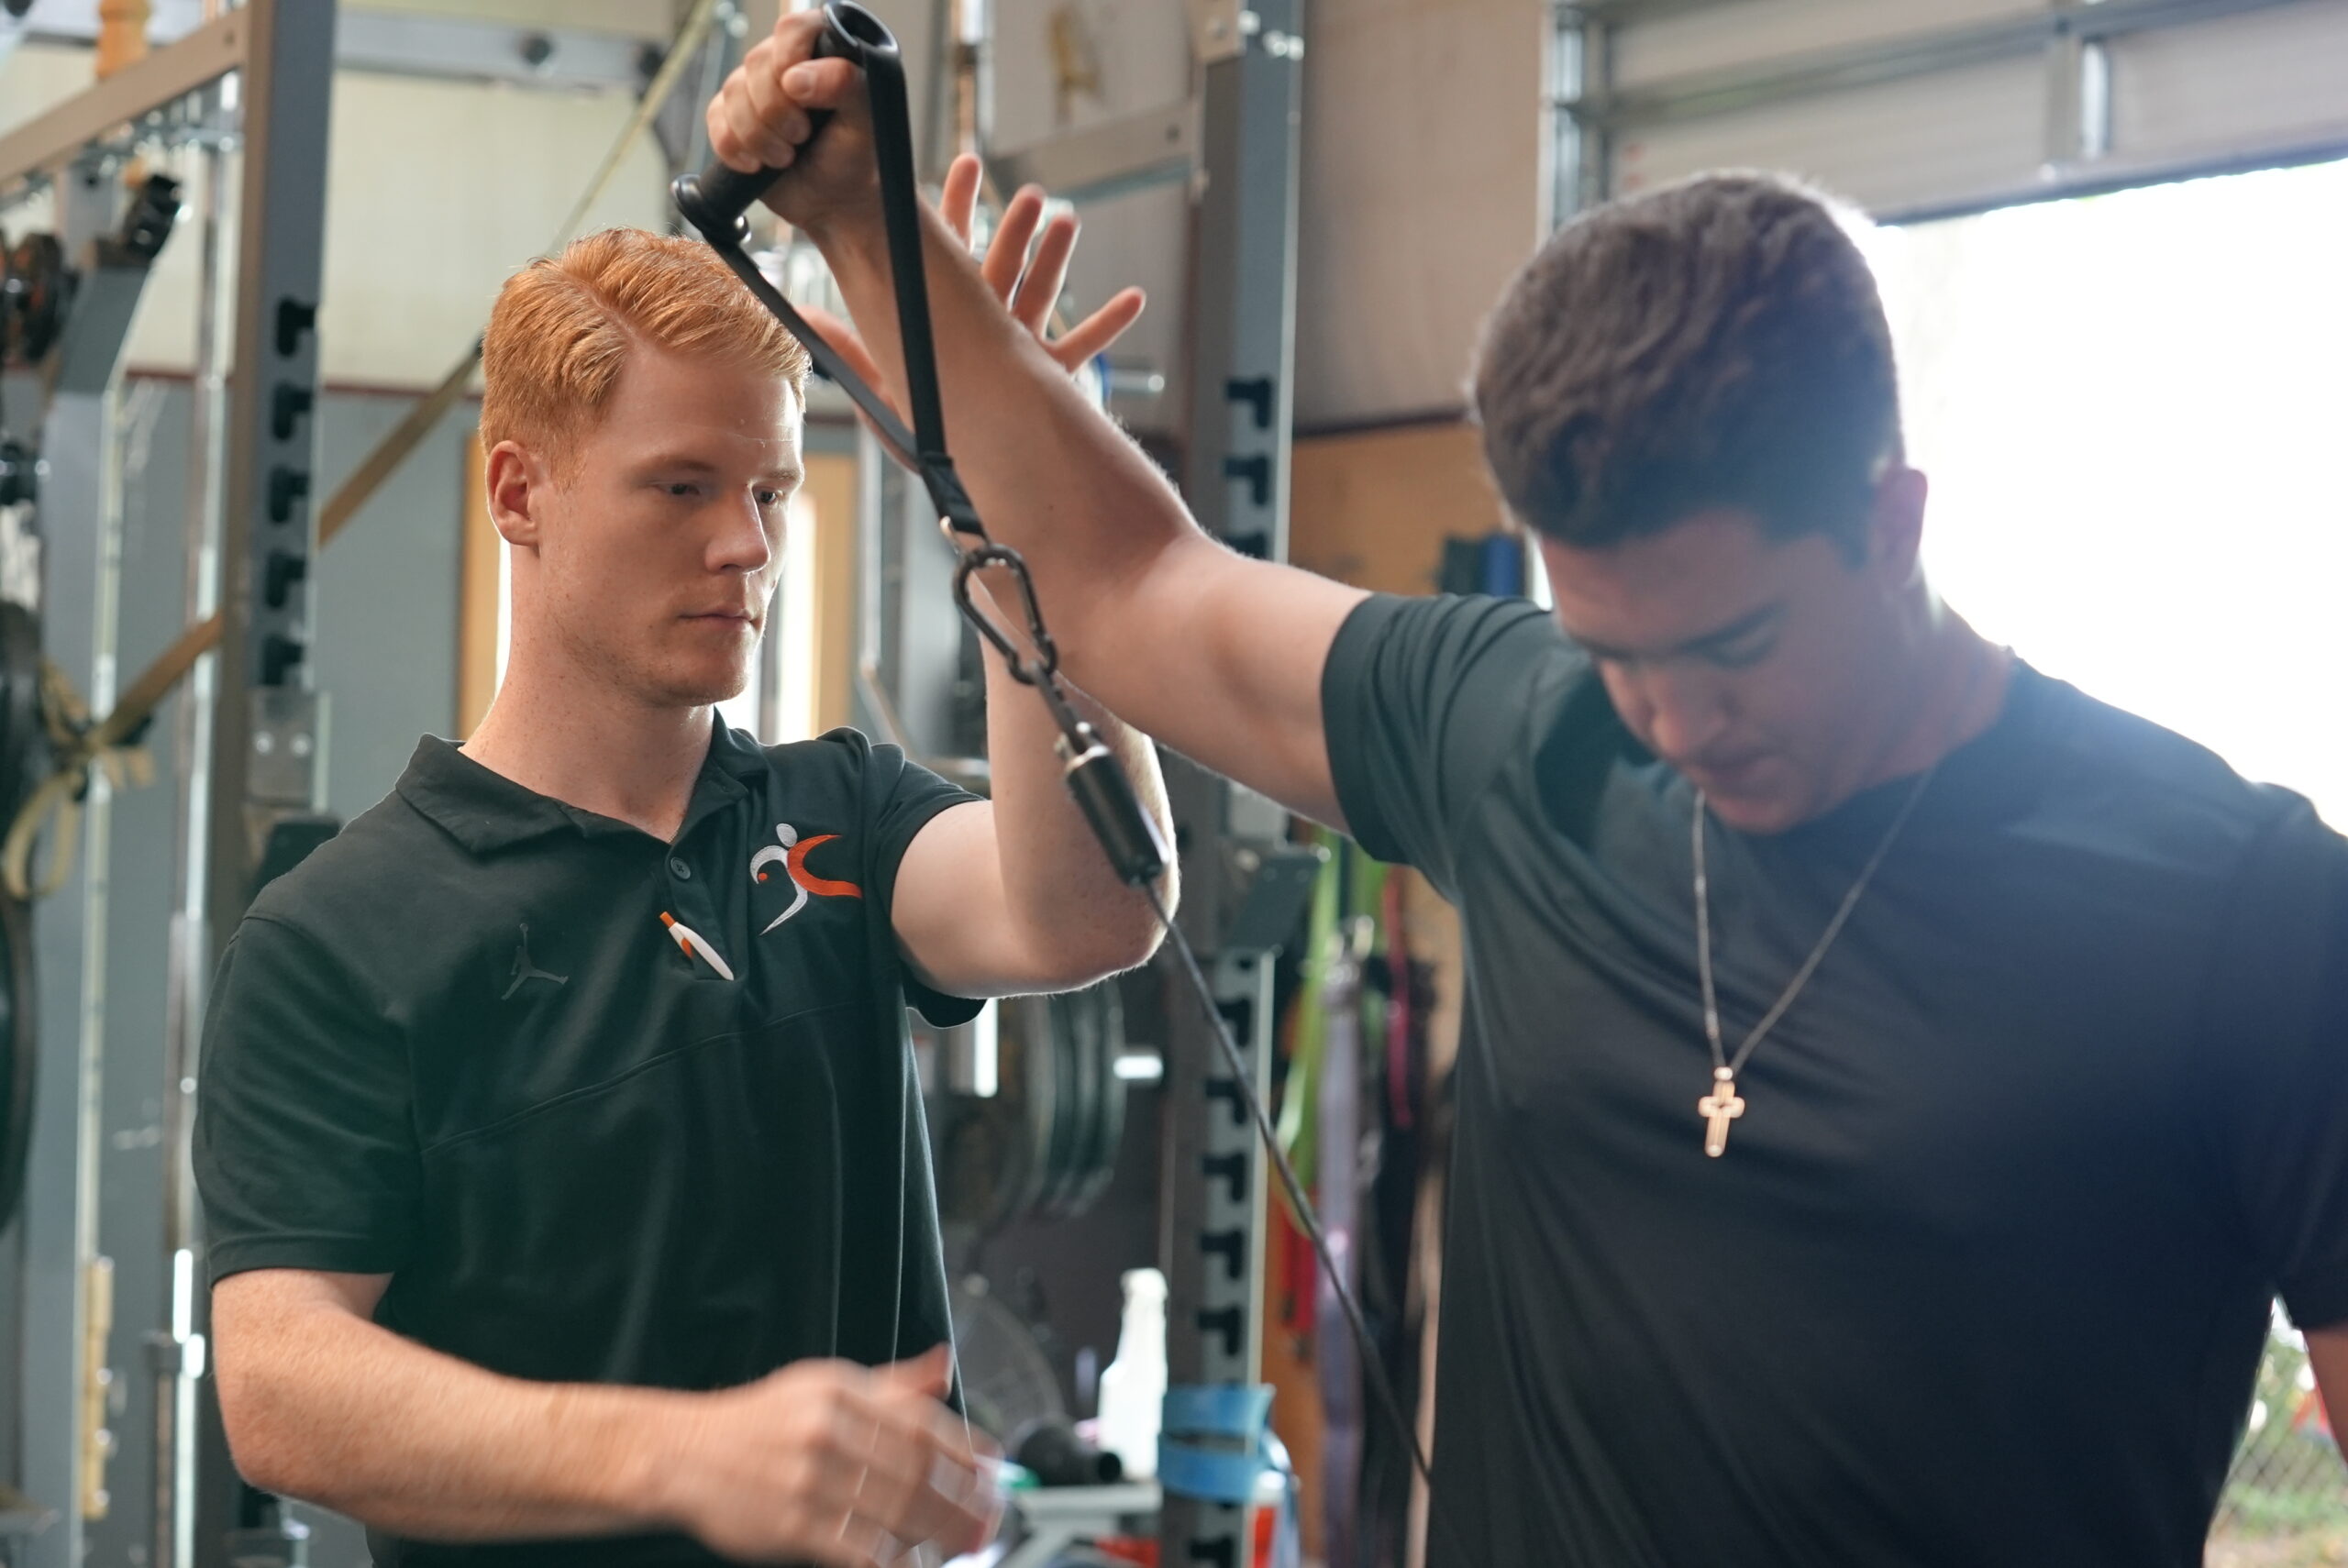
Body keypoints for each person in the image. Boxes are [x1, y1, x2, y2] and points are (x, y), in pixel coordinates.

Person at [707, 22, 2348, 1566]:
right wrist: (869, 222)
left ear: (1896, 522)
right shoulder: (1536, 735)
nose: (1677, 717)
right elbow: (1136, 583)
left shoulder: (2239, 910)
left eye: (1736, 645)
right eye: (1617, 647)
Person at [195, 219, 1165, 1568]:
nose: (746, 548)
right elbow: (280, 1384)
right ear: (519, 492)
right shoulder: (341, 935)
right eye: (681, 489)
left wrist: (1037, 501)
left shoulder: (847, 815)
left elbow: (1097, 911)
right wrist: (684, 1451)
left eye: (768, 493)